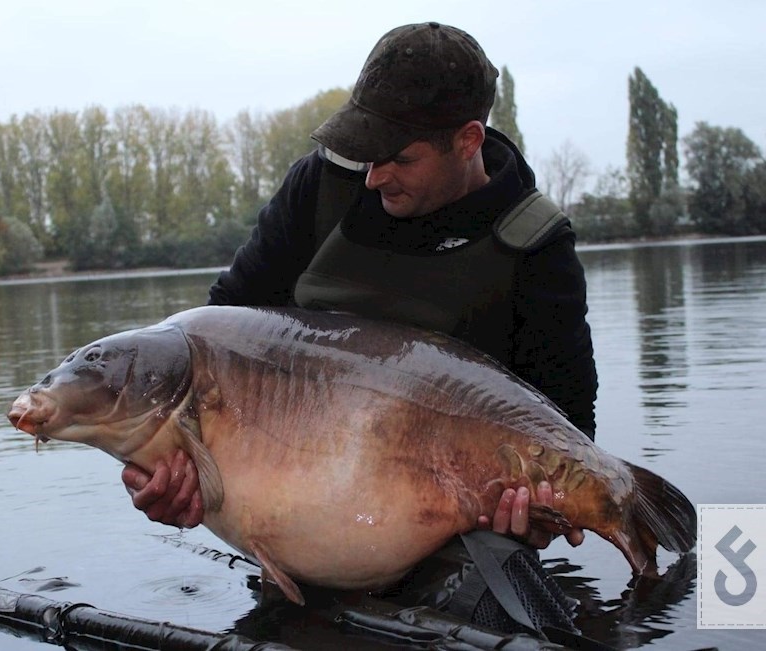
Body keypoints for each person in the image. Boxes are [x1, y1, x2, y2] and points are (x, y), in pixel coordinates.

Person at [122, 20, 596, 635]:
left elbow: (569, 429)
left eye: (400, 158)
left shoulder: (534, 245)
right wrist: (163, 463)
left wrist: (536, 512)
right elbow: (210, 343)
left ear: (468, 140)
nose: (374, 177)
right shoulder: (319, 189)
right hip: (301, 524)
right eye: (367, 152)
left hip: (459, 540)